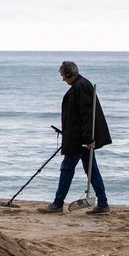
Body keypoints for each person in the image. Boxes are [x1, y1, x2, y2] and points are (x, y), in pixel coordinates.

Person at [39, 60, 111, 214]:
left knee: (67, 169)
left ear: (68, 73)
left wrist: (88, 140)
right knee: (92, 170)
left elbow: (87, 115)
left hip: (80, 140)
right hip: (79, 138)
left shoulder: (81, 87)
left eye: (63, 75)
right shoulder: (80, 85)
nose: (62, 79)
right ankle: (103, 204)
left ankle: (58, 204)